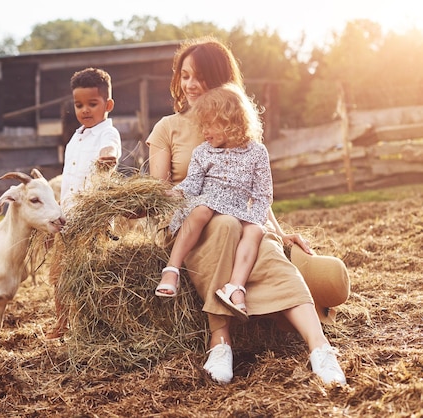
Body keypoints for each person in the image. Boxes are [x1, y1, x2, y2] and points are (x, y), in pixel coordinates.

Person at [146, 36, 347, 386]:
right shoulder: (167, 128)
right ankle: (220, 341)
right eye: (184, 75)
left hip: (241, 217)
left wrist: (279, 231)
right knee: (223, 225)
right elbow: (159, 192)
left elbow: (256, 193)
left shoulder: (238, 126)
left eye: (200, 76)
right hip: (194, 219)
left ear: (220, 79)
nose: (190, 84)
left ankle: (320, 349)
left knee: (266, 249)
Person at [155, 83, 273, 325]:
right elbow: (191, 186)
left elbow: (263, 195)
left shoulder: (257, 153)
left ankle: (235, 287)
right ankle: (172, 270)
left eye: (209, 125)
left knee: (256, 230)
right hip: (207, 201)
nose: (204, 131)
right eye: (202, 126)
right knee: (201, 210)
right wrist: (169, 195)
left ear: (231, 121)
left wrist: (256, 219)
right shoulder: (203, 152)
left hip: (239, 208)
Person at [46, 67, 122, 339]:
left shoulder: (107, 134)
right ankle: (62, 322)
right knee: (58, 274)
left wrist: (107, 158)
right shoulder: (75, 138)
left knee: (91, 273)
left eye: (93, 104)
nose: (85, 110)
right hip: (68, 219)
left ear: (108, 105)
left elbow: (110, 150)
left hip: (94, 220)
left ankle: (95, 324)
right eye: (79, 105)